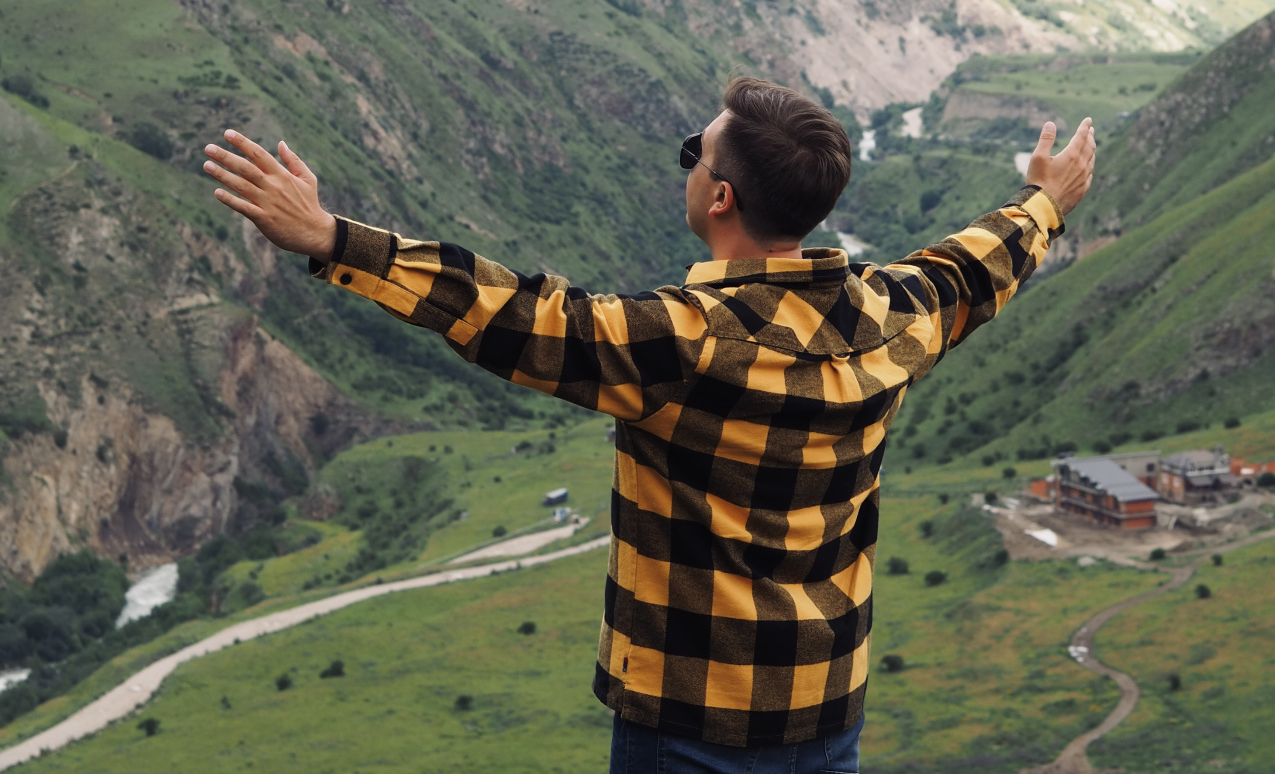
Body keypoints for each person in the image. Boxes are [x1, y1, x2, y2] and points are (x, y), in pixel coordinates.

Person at [203, 77, 1095, 774]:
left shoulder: (683, 344)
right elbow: (974, 266)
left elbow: (517, 315)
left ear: (719, 201)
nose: (690, 165)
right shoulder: (893, 318)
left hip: (689, 720)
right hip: (825, 710)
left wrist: (331, 240)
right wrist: (1042, 203)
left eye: (692, 155)